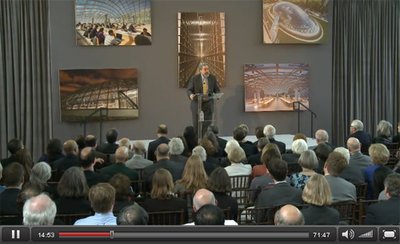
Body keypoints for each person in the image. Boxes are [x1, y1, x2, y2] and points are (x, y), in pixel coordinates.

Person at [186, 63, 221, 137]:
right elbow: (189, 90)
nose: (207, 71)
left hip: (208, 105)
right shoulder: (194, 78)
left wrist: (218, 95)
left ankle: (205, 140)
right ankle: (197, 142)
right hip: (197, 104)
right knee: (196, 125)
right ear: (200, 70)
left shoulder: (212, 78)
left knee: (207, 125)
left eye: (208, 69)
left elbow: (217, 89)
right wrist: (191, 95)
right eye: (205, 69)